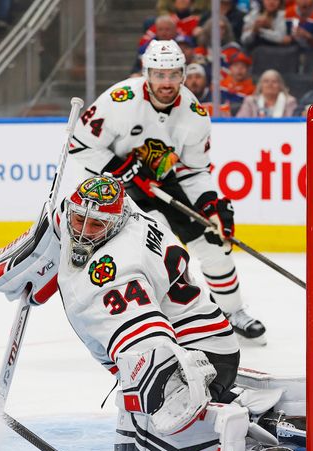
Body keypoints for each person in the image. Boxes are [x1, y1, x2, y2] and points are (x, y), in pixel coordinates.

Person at [0, 174, 306, 451]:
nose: (82, 232)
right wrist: (34, 257)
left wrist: (165, 396)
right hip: (214, 339)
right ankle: (261, 414)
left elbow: (150, 347)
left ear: (117, 223)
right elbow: (70, 217)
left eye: (95, 226)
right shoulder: (117, 210)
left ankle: (241, 450)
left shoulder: (112, 273)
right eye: (78, 220)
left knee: (148, 388)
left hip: (198, 356)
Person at [68, 40, 268, 343]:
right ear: (147, 73)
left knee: (213, 245)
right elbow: (78, 144)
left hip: (162, 181)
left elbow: (194, 171)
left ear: (183, 74)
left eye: (173, 74)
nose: (166, 82)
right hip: (114, 187)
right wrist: (118, 168)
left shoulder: (195, 114)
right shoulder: (120, 100)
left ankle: (232, 311)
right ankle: (161, 318)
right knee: (158, 243)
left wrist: (211, 206)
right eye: (159, 74)